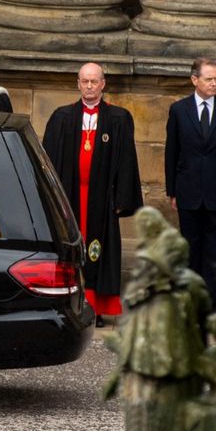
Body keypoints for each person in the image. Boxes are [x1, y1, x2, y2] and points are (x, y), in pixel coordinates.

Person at [41, 62, 143, 327]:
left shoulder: (118, 119)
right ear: (78, 84)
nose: (89, 86)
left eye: (94, 81)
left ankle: (95, 308)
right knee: (71, 251)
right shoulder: (61, 118)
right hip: (71, 198)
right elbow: (48, 161)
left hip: (101, 201)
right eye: (84, 81)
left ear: (103, 84)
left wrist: (121, 199)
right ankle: (70, 305)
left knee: (98, 251)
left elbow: (126, 162)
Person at [164, 57, 216, 311]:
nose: (214, 83)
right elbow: (171, 152)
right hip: (188, 192)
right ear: (194, 80)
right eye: (209, 79)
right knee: (189, 249)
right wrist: (172, 190)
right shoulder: (179, 110)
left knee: (213, 250)